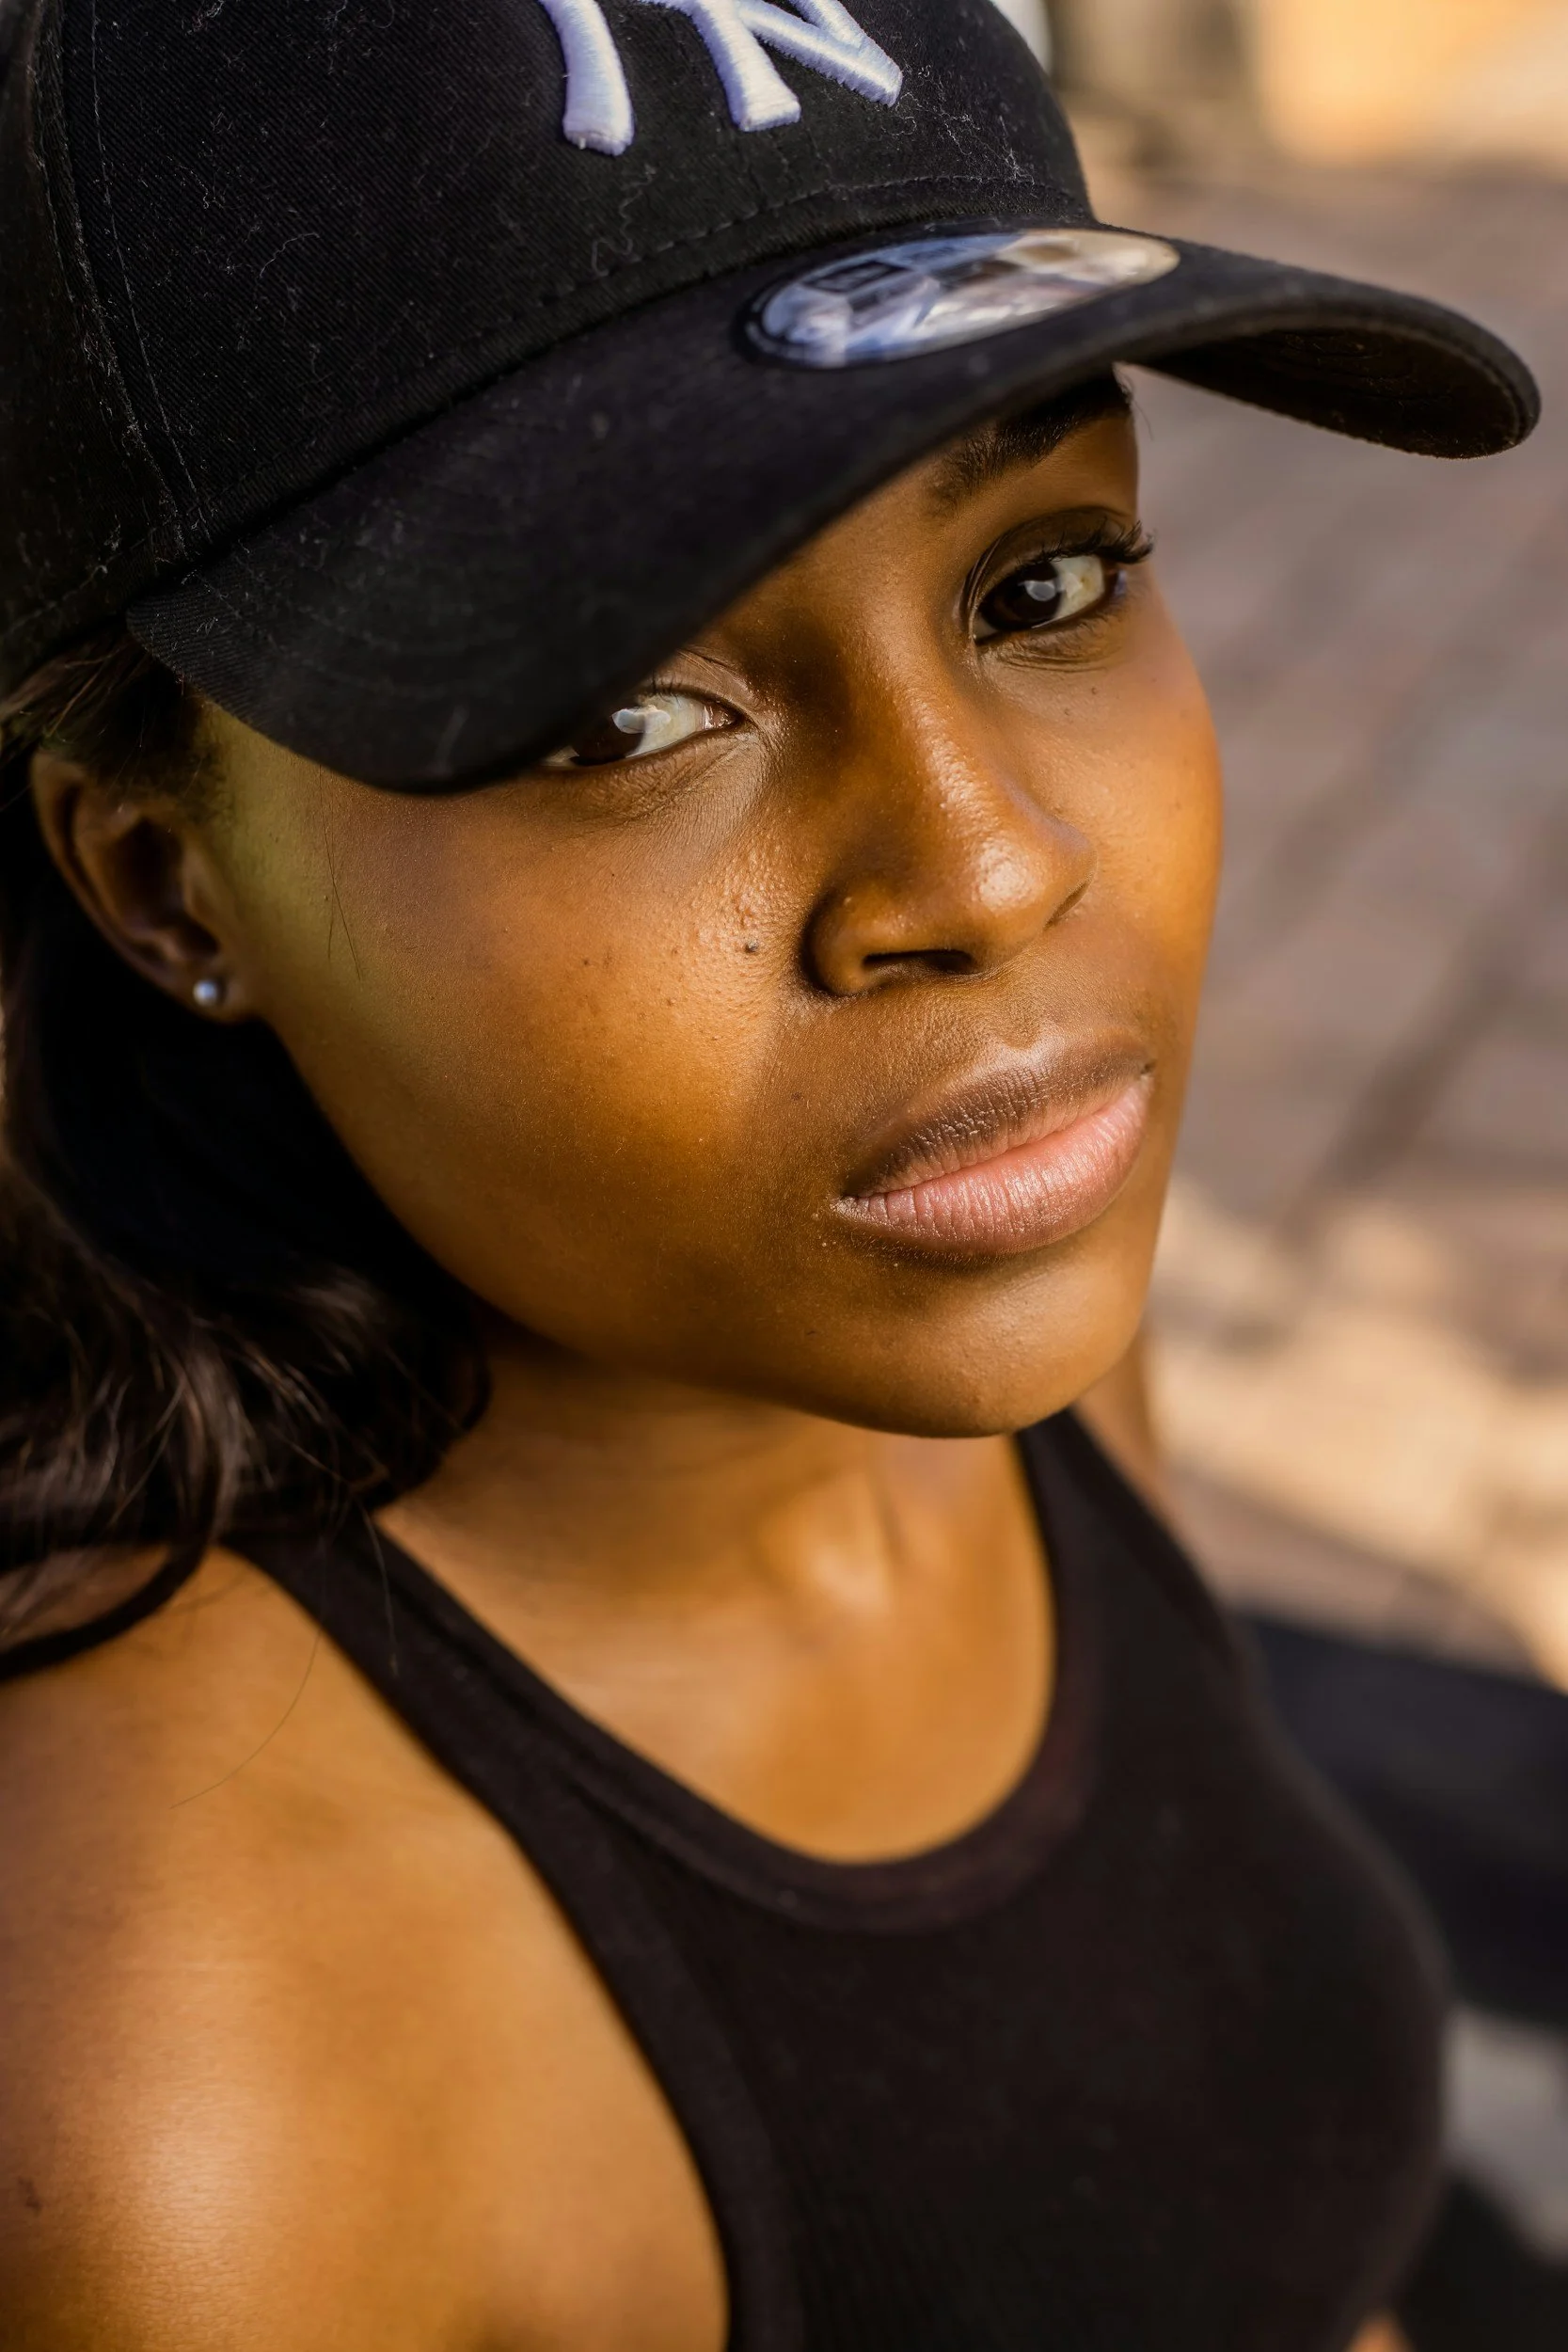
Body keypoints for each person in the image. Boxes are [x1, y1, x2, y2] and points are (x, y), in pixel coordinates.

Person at [0, 3, 1539, 2346]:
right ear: (162, 878)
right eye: (626, 716)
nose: (986, 866)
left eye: (1040, 583)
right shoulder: (174, 2102)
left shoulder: (954, 1279)